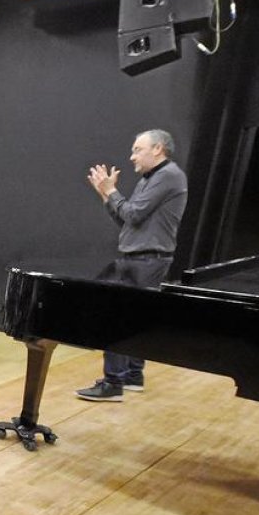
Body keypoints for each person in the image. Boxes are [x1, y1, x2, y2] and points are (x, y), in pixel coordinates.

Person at [77, 129, 188, 402]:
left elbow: (133, 213)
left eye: (138, 149)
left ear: (158, 149)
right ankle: (132, 376)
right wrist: (106, 195)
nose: (132, 156)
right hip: (144, 259)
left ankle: (114, 383)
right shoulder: (150, 179)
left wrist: (111, 190)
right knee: (137, 319)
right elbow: (127, 220)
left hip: (146, 260)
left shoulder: (168, 176)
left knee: (116, 318)